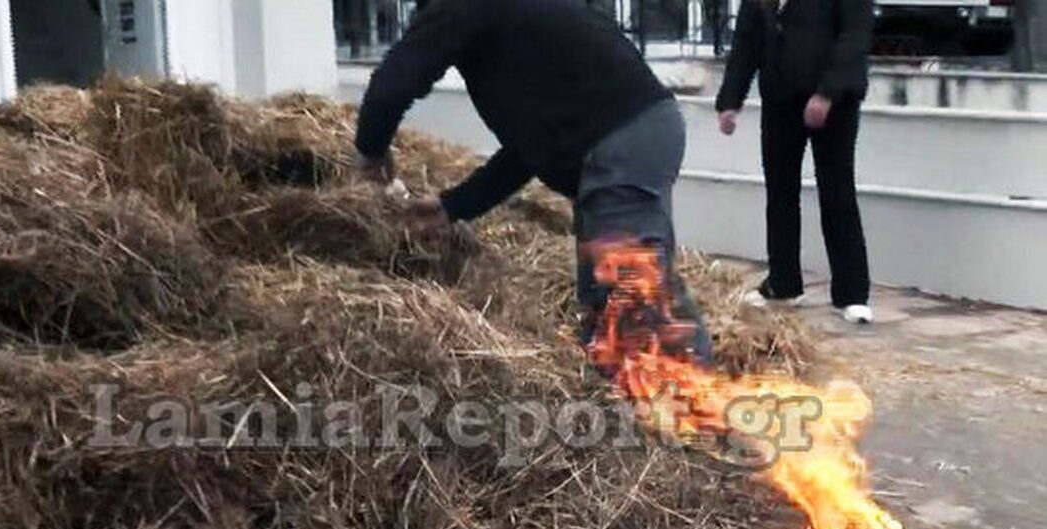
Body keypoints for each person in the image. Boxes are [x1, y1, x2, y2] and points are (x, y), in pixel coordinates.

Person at [354, 0, 713, 366]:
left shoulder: (460, 7)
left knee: (633, 294)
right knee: (608, 302)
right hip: (632, 136)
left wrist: (371, 152)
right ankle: (627, 401)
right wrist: (453, 206)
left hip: (623, 140)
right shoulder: (515, 34)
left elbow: (394, 82)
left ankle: (691, 410)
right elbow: (529, 150)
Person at [716, 0, 876, 324]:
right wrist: (730, 100)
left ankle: (852, 293)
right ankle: (783, 283)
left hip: (835, 101)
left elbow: (854, 36)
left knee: (837, 192)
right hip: (780, 97)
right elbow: (747, 40)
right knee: (780, 192)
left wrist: (827, 92)